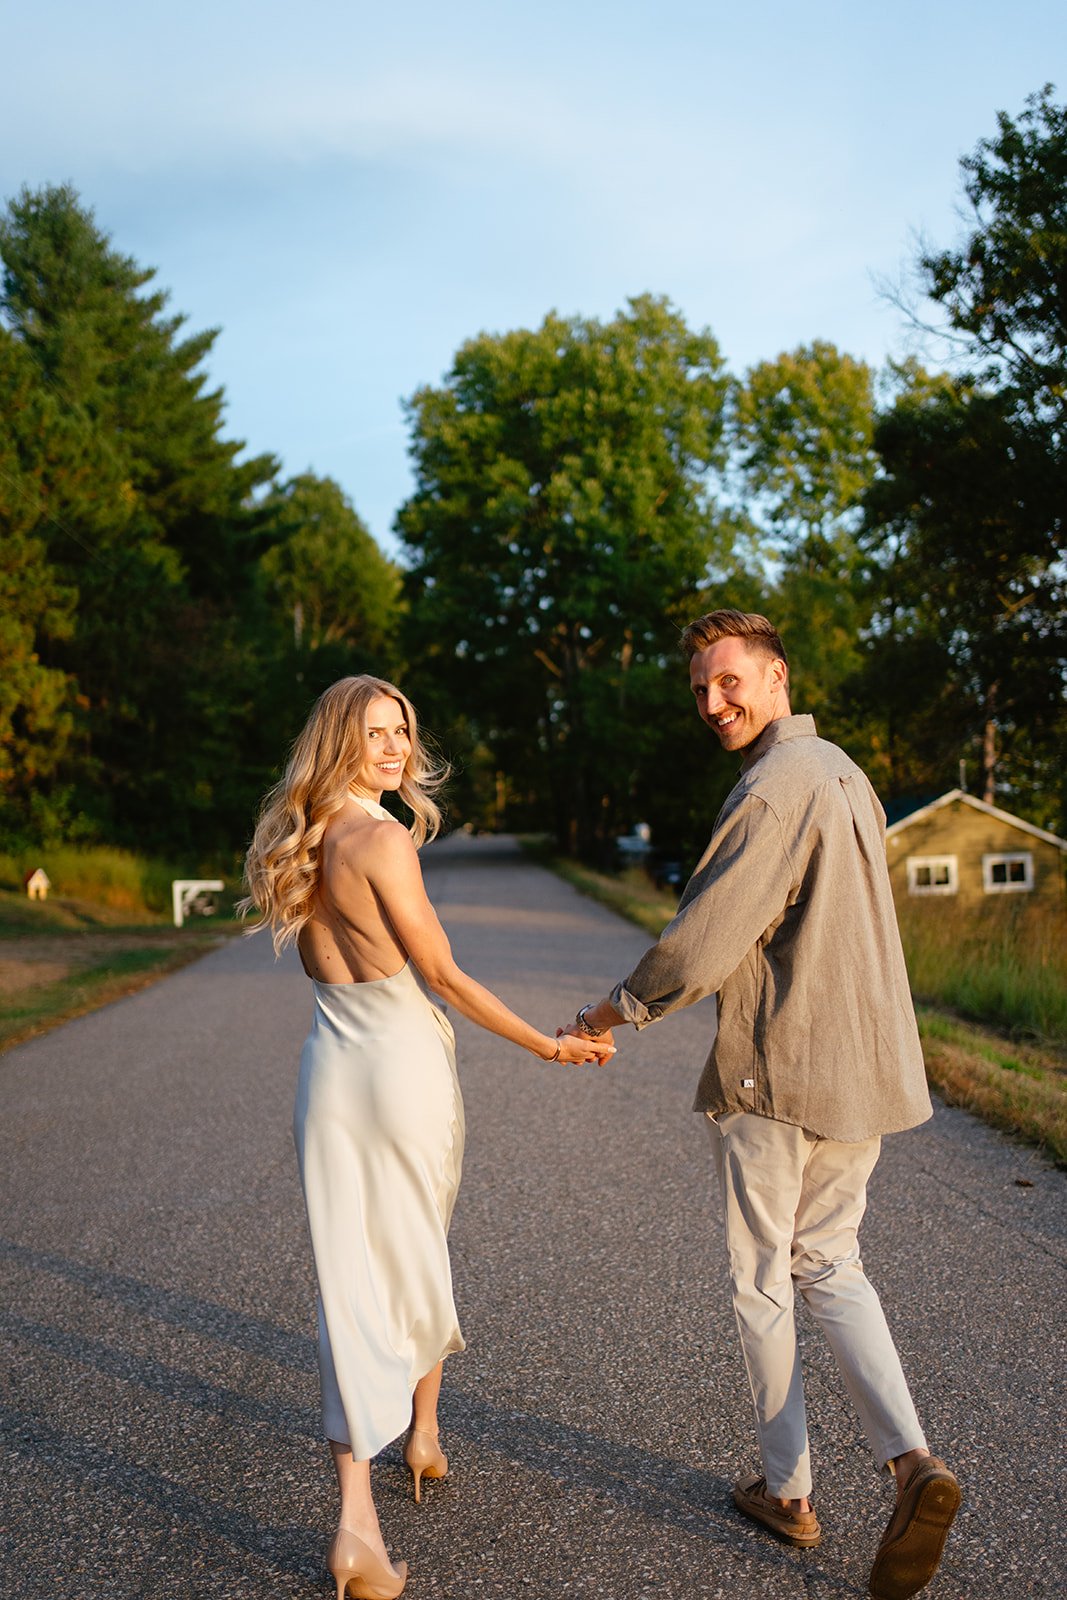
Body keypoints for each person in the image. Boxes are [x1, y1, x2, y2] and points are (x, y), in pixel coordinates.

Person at [559, 611, 960, 1600]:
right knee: (831, 1261)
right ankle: (910, 1461)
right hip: (860, 1072)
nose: (711, 702)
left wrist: (604, 1011)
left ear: (775, 676)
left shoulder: (771, 787)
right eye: (697, 688)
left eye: (727, 681)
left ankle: (788, 1491)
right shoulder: (842, 771)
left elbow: (701, 945)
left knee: (762, 1278)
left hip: (777, 1073)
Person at [241, 675, 613, 1600]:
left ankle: (376, 1494)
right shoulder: (382, 838)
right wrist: (546, 1044)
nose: (396, 748)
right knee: (417, 1251)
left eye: (402, 729)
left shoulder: (300, 838)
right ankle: (400, 1466)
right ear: (338, 741)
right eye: (374, 733)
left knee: (348, 1277)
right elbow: (440, 974)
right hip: (402, 1066)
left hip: (329, 1072)